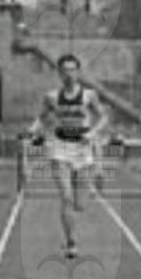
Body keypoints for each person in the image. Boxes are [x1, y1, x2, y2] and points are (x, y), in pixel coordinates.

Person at [31, 53, 110, 259]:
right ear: (59, 73)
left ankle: (82, 196)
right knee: (66, 197)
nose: (69, 74)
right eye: (64, 70)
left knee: (79, 204)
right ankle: (71, 242)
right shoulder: (51, 97)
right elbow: (42, 117)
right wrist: (33, 130)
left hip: (82, 148)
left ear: (78, 72)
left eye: (72, 69)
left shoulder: (89, 95)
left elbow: (103, 117)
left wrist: (92, 132)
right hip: (60, 147)